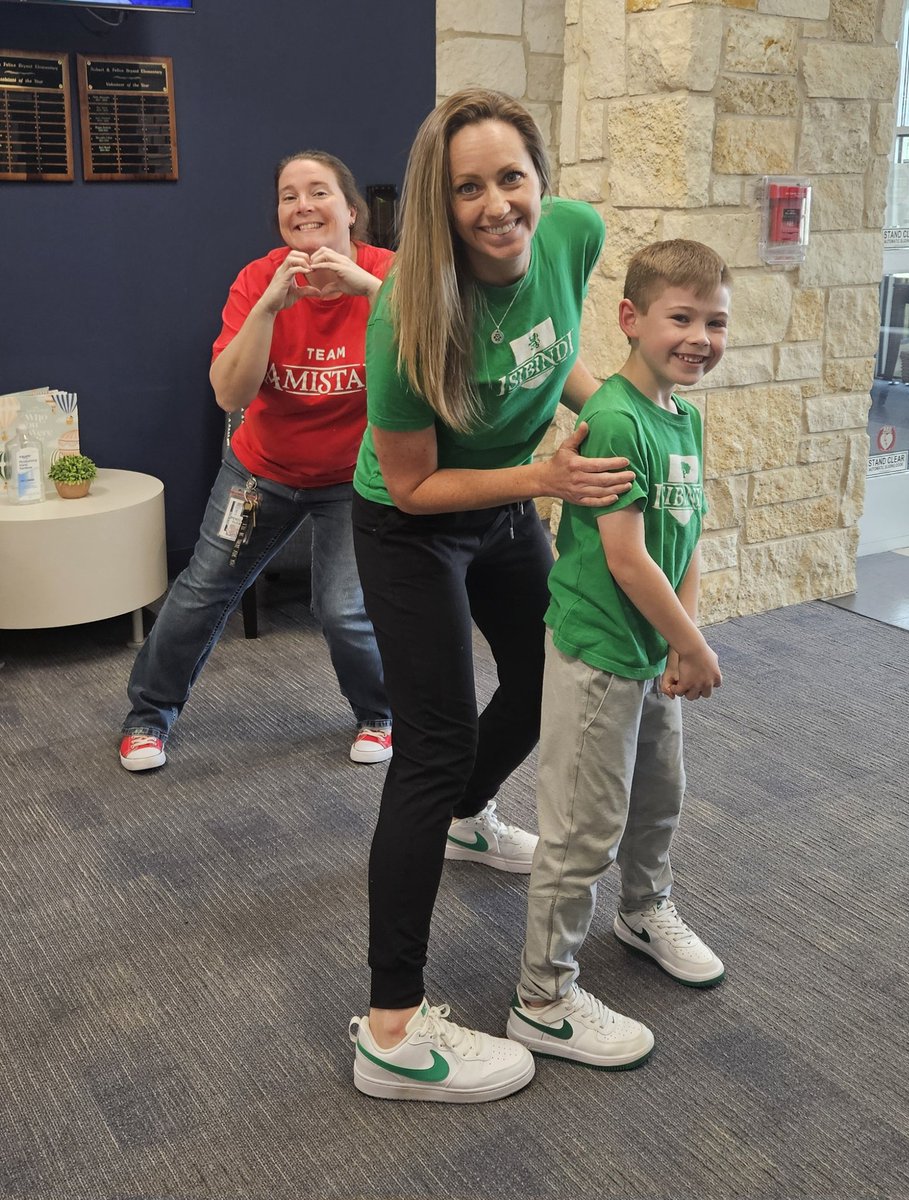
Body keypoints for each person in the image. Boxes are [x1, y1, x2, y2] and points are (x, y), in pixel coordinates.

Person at [346, 89, 635, 1103]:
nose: (495, 204)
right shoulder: (408, 315)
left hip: (513, 498)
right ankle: (389, 1029)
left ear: (540, 177)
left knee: (548, 674)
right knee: (428, 742)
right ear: (440, 201)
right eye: (467, 187)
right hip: (411, 523)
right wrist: (544, 481)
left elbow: (548, 355)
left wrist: (619, 411)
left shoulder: (574, 234)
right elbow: (417, 482)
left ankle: (472, 814)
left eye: (511, 177)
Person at [506, 239, 730, 1070]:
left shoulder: (684, 416)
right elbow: (629, 558)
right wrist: (692, 644)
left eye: (715, 321)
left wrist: (684, 644)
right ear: (632, 320)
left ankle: (644, 909)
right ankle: (543, 998)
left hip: (654, 654)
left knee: (659, 798)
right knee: (580, 831)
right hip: (601, 656)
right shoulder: (611, 418)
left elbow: (687, 537)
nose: (700, 336)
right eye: (682, 317)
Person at [118, 151, 393, 773]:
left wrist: (370, 291)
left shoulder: (391, 275)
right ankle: (147, 718)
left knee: (345, 611)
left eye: (317, 191)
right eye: (288, 196)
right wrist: (270, 306)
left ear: (350, 211)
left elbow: (437, 359)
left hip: (355, 480)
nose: (302, 205)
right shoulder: (257, 280)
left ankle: (378, 714)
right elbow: (230, 394)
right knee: (200, 593)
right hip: (261, 473)